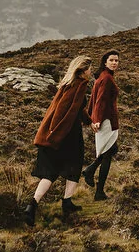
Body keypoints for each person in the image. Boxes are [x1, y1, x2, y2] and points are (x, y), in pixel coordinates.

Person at [23, 54, 95, 226]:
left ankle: (34, 205)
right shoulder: (79, 85)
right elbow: (64, 110)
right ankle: (64, 203)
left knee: (51, 173)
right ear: (83, 71)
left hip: (58, 134)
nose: (91, 72)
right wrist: (55, 134)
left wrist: (89, 121)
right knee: (73, 167)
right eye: (90, 69)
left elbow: (77, 109)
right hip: (66, 136)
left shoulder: (68, 84)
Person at [85, 50, 121, 201]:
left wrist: (92, 116)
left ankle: (90, 170)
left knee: (112, 149)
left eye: (116, 60)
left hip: (107, 119)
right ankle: (99, 192)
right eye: (111, 60)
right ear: (105, 62)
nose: (114, 63)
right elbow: (100, 100)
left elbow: (94, 99)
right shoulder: (106, 78)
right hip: (106, 121)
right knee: (107, 154)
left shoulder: (104, 76)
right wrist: (97, 119)